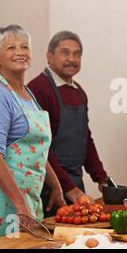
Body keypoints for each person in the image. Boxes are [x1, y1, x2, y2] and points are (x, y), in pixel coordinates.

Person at [0, 25, 66, 248]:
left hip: (29, 196)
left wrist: (56, 186)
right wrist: (21, 207)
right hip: (5, 198)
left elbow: (38, 148)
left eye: (25, 46)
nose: (20, 51)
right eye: (11, 47)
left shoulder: (26, 94)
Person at [28, 31, 108, 214]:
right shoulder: (38, 89)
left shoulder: (79, 92)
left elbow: (84, 138)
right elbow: (40, 147)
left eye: (77, 54)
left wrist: (102, 179)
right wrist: (66, 187)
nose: (72, 58)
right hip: (49, 187)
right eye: (65, 52)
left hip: (75, 184)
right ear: (49, 56)